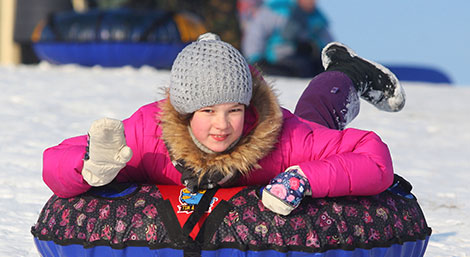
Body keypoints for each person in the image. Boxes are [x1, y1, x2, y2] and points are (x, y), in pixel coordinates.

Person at [43, 32, 405, 216]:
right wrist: (89, 166)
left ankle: (347, 73)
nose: (222, 125)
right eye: (207, 111)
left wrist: (306, 177)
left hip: (293, 138)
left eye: (234, 109)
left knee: (315, 122)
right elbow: (55, 159)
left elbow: (373, 158)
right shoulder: (148, 135)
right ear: (185, 113)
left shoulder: (284, 137)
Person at [241, 0, 333, 77]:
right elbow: (256, 34)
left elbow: (328, 45)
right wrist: (256, 59)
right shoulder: (277, 10)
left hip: (305, 64)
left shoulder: (317, 19)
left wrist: (314, 48)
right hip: (274, 62)